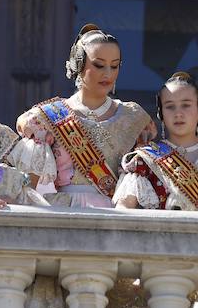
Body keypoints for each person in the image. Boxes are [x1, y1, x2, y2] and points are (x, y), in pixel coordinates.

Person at [9, 23, 153, 207]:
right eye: (99, 65)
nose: (108, 73)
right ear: (79, 64)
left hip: (116, 213)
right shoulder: (48, 117)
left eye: (114, 66)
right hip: (63, 212)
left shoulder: (134, 117)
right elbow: (28, 187)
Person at [114, 72, 198, 211]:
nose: (178, 113)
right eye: (170, 106)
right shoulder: (144, 160)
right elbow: (123, 211)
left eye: (186, 105)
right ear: (161, 113)